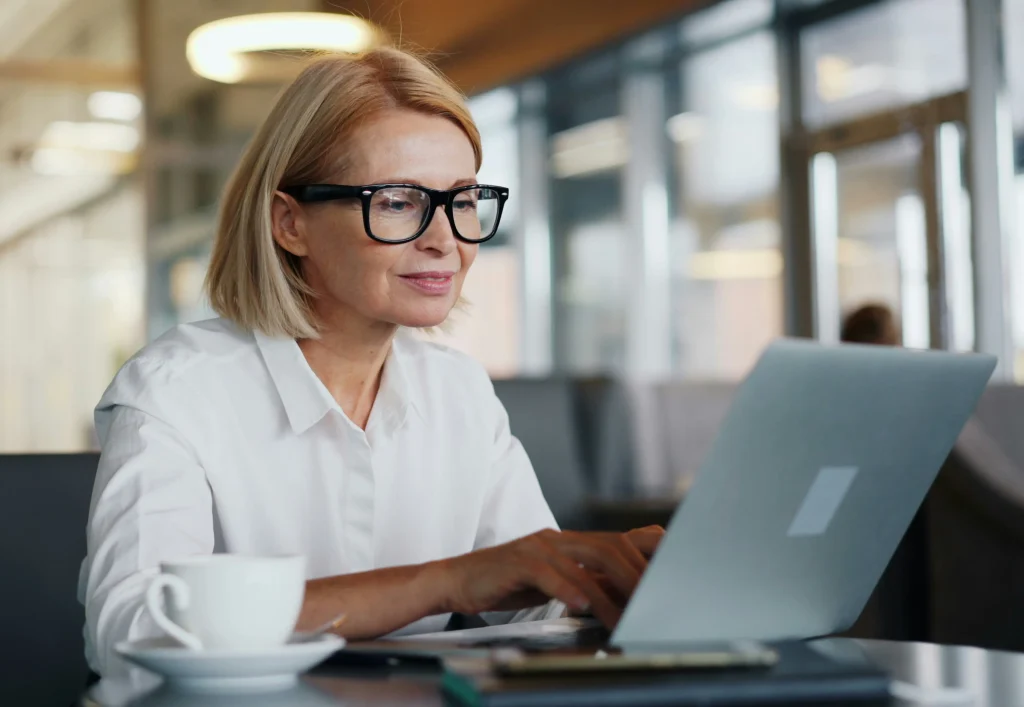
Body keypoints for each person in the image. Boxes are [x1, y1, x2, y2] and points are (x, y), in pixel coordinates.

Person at [79, 47, 663, 678]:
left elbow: (536, 612)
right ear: (290, 223)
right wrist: (445, 582)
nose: (445, 239)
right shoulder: (175, 392)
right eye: (396, 202)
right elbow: (130, 633)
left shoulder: (456, 389)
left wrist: (612, 584)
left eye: (463, 201)